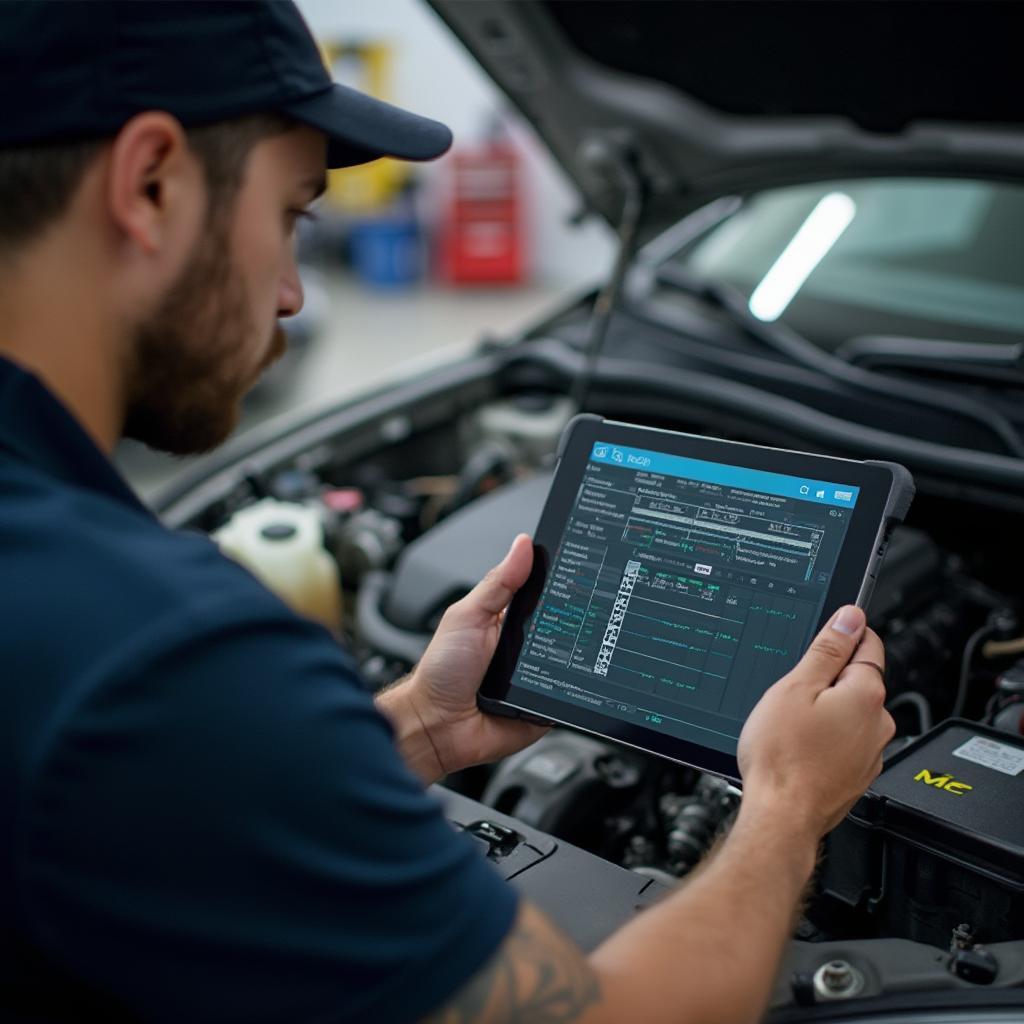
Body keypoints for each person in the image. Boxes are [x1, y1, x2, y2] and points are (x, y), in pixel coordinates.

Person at [0, 3, 895, 1021]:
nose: (292, 292)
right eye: (294, 213)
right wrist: (786, 807)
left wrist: (422, 729)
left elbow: (149, 804)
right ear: (150, 183)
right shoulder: (155, 649)